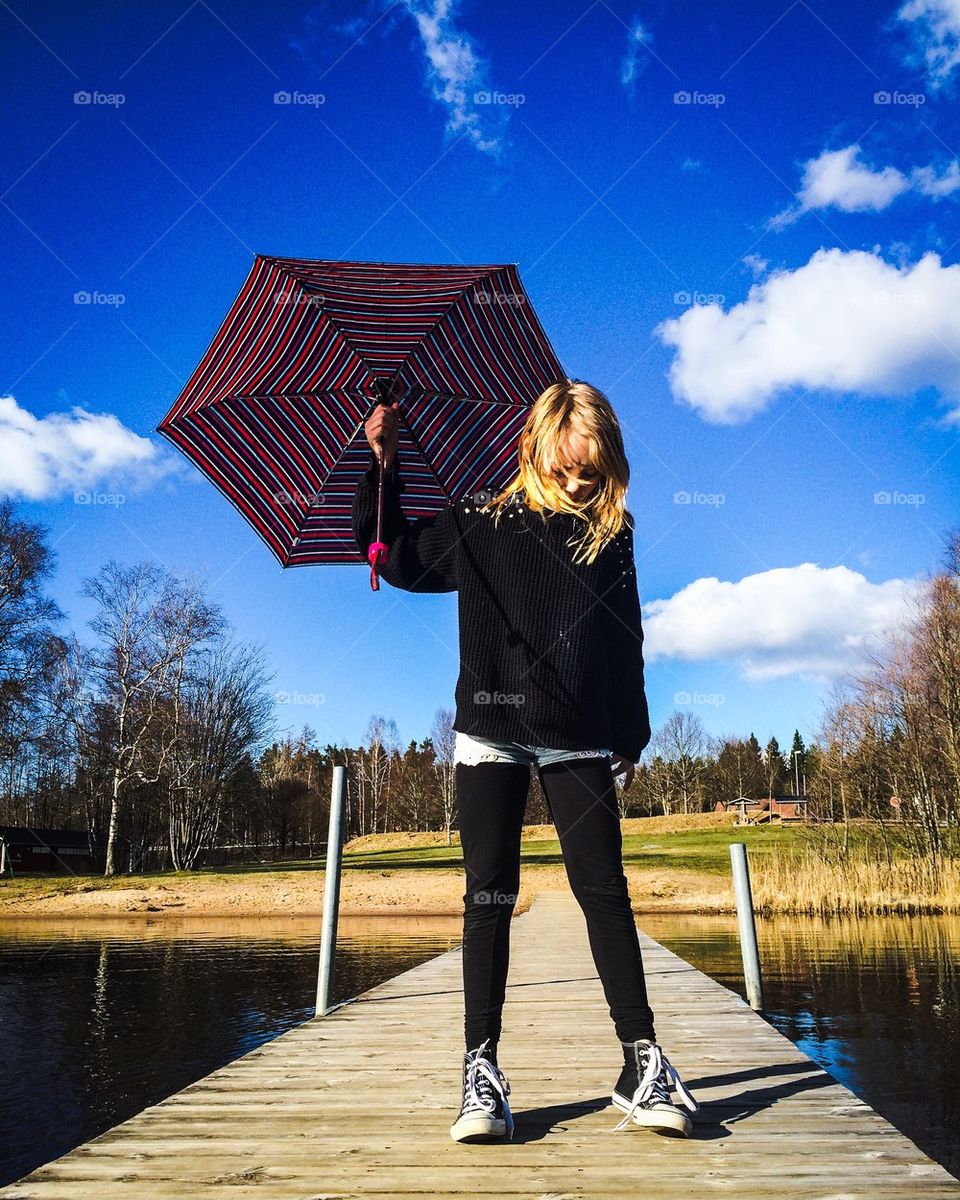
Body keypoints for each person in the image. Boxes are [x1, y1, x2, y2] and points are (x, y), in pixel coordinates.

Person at [352, 379, 699, 1143]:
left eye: (594, 471)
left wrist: (631, 736)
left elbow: (625, 640)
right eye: (567, 466)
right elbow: (398, 558)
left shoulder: (615, 533)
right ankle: (481, 1070)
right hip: (490, 734)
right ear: (535, 447)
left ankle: (641, 1062)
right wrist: (382, 465)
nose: (579, 482)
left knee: (604, 890)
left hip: (577, 732)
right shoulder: (480, 519)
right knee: (488, 897)